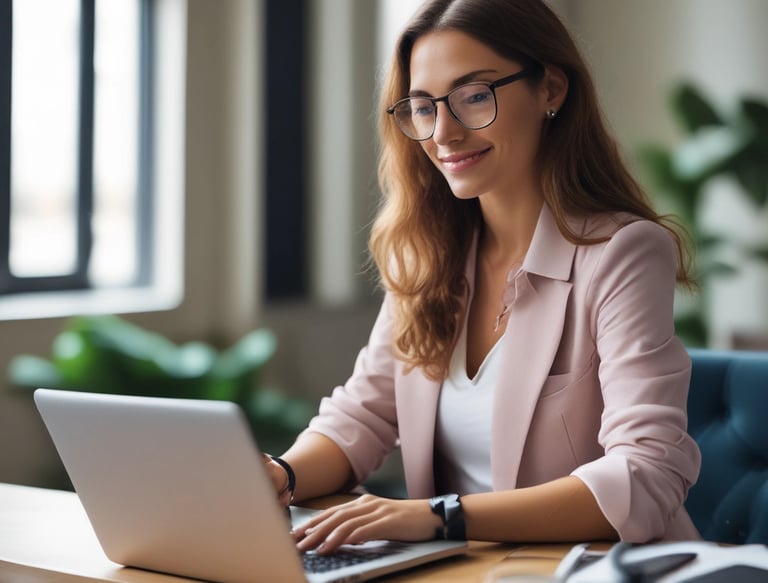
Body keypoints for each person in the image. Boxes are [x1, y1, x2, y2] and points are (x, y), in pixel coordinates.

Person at [264, 0, 702, 553]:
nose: (443, 133)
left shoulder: (621, 253)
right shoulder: (428, 253)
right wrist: (282, 475)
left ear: (551, 90)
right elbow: (364, 415)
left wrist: (438, 517)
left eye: (474, 96)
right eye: (423, 107)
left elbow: (646, 475)